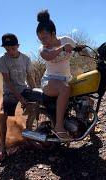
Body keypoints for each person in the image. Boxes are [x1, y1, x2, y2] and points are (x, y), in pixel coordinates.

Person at [36, 10, 84, 141]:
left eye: (44, 37)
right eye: (40, 39)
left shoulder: (66, 40)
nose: (42, 41)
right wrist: (62, 48)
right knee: (65, 88)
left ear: (53, 33)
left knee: (86, 90)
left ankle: (84, 122)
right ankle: (58, 127)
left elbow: (80, 49)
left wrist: (90, 53)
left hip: (66, 79)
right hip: (49, 81)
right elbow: (48, 56)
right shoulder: (43, 49)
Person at [0, 33, 35, 162]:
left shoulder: (26, 59)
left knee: (35, 107)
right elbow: (8, 82)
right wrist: (20, 99)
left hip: (23, 89)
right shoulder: (2, 60)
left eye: (13, 48)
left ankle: (30, 136)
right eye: (7, 49)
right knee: (4, 115)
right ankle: (3, 149)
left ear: (18, 46)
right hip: (10, 92)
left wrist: (35, 92)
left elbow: (29, 77)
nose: (10, 51)